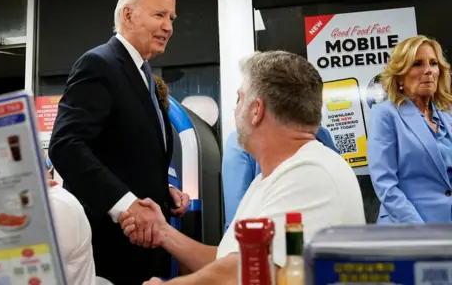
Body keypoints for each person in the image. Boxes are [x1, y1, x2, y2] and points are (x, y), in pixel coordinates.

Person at [119, 51, 365, 284]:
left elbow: (246, 273)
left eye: (239, 99)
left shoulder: (310, 173)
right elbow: (228, 260)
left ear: (256, 110)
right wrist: (163, 233)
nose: (235, 110)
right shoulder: (270, 178)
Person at [49, 0, 190, 285]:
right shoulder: (99, 64)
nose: (168, 27)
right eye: (159, 15)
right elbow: (66, 145)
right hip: (112, 247)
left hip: (145, 247)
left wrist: (161, 191)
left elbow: (122, 151)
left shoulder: (144, 75)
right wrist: (126, 205)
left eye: (171, 18)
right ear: (128, 15)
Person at [369, 35, 452, 224]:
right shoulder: (385, 114)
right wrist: (421, 232)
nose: (428, 71)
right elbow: (385, 185)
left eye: (433, 63)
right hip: (409, 230)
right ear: (399, 76)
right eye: (417, 64)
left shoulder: (448, 113)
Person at [222, 126, 339, 229]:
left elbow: (236, 223)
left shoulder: (239, 142)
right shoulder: (322, 135)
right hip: (321, 231)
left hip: (270, 235)